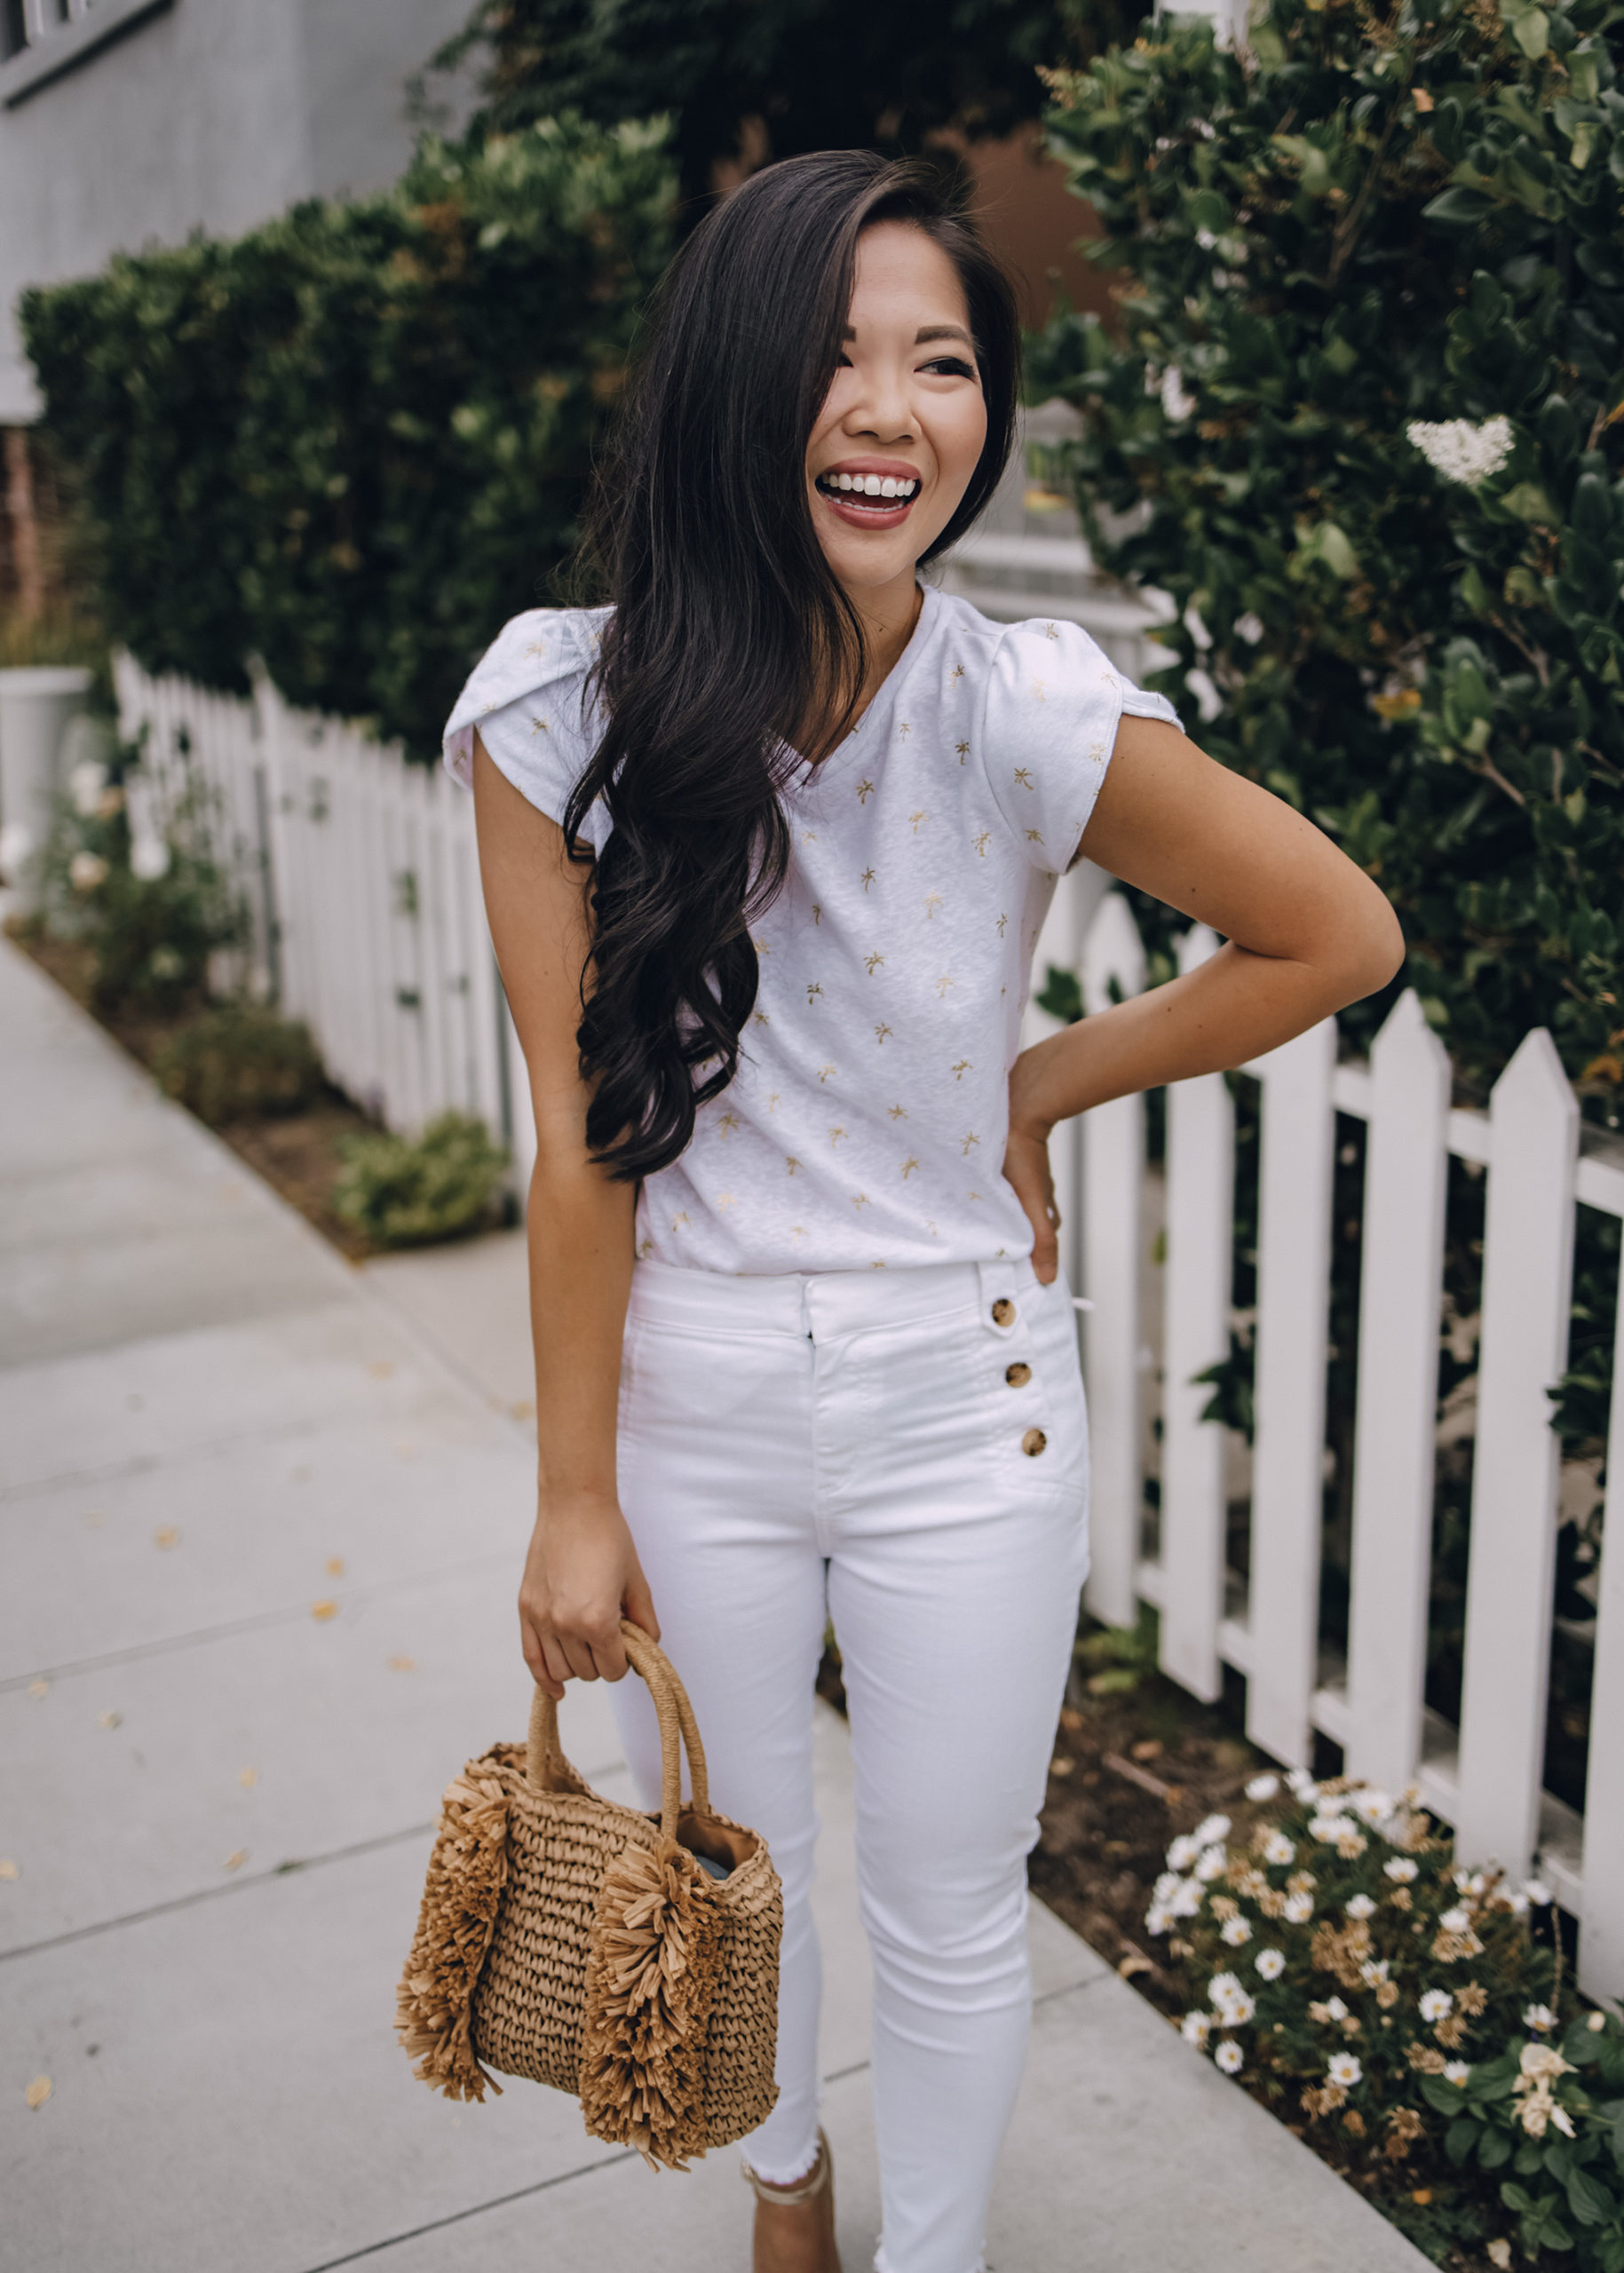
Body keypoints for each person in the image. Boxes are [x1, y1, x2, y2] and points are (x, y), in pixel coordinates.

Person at [442, 149, 1403, 2273]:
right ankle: (789, 2191)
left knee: (956, 1900)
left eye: (942, 363)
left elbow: (1334, 931)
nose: (892, 411)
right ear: (729, 390)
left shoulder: (1025, 705)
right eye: (836, 358)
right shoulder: (556, 708)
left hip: (967, 1402)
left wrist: (1035, 1079)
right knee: (738, 1854)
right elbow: (581, 1133)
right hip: (689, 1397)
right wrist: (571, 1492)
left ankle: (933, 2255)